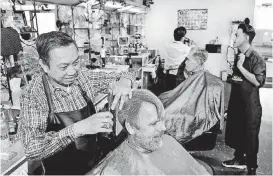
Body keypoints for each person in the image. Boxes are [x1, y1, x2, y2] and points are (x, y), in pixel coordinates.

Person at [18, 31, 136, 175]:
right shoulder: (34, 95)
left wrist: (125, 82)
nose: (72, 71)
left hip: (93, 166)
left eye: (75, 62)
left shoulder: (82, 78)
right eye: (63, 67)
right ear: (44, 65)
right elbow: (32, 149)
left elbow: (125, 74)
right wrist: (77, 129)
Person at [88, 89, 210, 175]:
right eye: (153, 123)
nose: (163, 128)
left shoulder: (168, 141)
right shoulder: (114, 169)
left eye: (162, 120)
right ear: (131, 127)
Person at [222, 18, 266, 175]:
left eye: (237, 35)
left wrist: (240, 67)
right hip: (237, 102)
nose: (234, 38)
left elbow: (258, 81)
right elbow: (236, 79)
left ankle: (252, 167)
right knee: (238, 130)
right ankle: (239, 159)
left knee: (250, 134)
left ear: (246, 37)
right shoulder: (238, 55)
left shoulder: (256, 58)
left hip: (250, 105)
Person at [159, 47, 225, 145]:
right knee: (161, 100)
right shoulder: (195, 76)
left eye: (188, 60)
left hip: (193, 113)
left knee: (164, 115)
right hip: (186, 106)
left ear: (197, 62)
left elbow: (201, 108)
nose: (185, 63)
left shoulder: (207, 81)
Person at [164, 26, 191, 91]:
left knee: (168, 94)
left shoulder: (167, 46)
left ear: (174, 36)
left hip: (167, 75)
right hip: (178, 77)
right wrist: (188, 45)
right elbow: (189, 59)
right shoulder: (186, 48)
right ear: (183, 37)